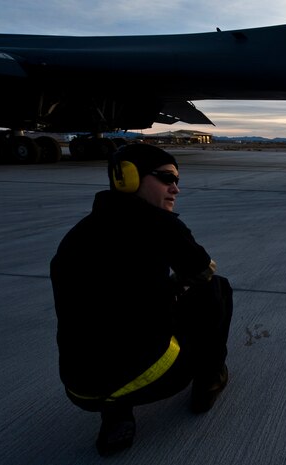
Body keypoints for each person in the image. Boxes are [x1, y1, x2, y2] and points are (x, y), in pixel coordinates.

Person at [50, 144, 233, 456]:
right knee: (215, 288)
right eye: (165, 178)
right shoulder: (160, 223)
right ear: (129, 179)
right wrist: (177, 279)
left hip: (79, 388)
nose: (175, 188)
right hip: (153, 378)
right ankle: (208, 379)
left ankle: (116, 418)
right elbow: (202, 271)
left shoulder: (77, 234)